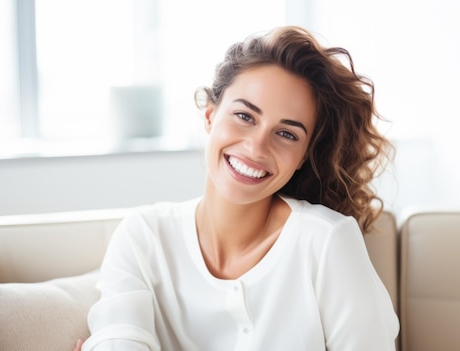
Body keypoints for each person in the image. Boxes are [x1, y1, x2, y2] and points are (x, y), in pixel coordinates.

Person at [76, 25, 399, 351]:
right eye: (245, 115)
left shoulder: (327, 241)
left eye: (287, 134)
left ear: (303, 156)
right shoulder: (144, 237)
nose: (257, 148)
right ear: (210, 116)